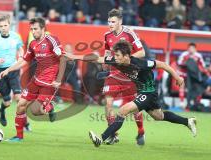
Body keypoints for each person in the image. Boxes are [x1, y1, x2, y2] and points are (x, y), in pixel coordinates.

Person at [65, 40, 197, 147]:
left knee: (123, 110)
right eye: (114, 55)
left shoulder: (141, 63)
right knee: (158, 116)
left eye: (117, 56)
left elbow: (163, 64)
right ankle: (187, 121)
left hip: (148, 92)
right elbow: (97, 58)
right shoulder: (116, 60)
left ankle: (101, 138)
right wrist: (74, 56)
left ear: (126, 56)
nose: (115, 58)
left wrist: (178, 77)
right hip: (144, 92)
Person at [0, 17, 67, 142]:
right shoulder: (33, 44)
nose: (33, 32)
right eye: (31, 29)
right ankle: (19, 137)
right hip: (36, 80)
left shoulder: (52, 40)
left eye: (35, 29)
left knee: (35, 111)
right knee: (20, 105)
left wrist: (59, 79)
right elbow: (24, 60)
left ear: (42, 29)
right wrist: (8, 70)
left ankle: (49, 107)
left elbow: (63, 58)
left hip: (49, 83)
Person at [101, 9, 146, 145]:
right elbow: (108, 51)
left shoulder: (129, 34)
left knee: (134, 108)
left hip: (128, 75)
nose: (110, 24)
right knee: (108, 104)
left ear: (120, 22)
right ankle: (113, 134)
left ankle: (141, 130)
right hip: (114, 73)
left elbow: (142, 52)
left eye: (113, 21)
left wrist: (126, 59)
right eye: (109, 21)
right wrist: (105, 60)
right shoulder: (107, 35)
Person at [0, 14, 30, 129]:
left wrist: (21, 55)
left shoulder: (15, 36)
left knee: (19, 98)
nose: (3, 28)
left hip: (12, 69)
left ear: (10, 25)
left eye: (5, 25)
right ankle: (2, 110)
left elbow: (20, 47)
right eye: (1, 26)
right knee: (7, 102)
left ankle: (24, 123)